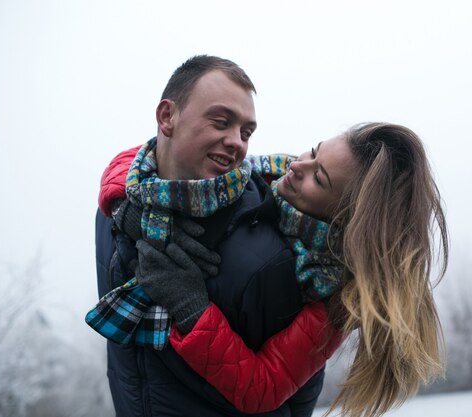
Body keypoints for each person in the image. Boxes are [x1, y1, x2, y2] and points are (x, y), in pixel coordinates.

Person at [95, 122, 449, 417]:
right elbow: (140, 155)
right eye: (313, 151)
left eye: (319, 178)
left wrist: (190, 307)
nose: (297, 165)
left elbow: (262, 387)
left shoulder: (330, 295)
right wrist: (131, 207)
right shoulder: (258, 177)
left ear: (346, 221)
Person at [93, 55, 327, 417]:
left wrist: (191, 309)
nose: (237, 142)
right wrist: (130, 212)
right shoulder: (115, 211)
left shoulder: (267, 251)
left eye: (246, 132)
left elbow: (291, 398)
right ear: (167, 117)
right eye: (221, 122)